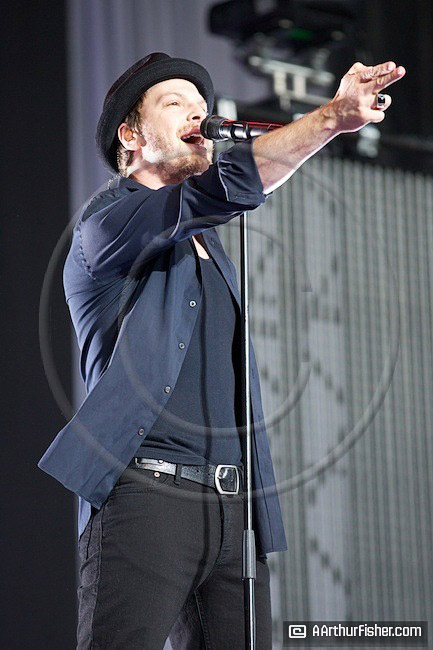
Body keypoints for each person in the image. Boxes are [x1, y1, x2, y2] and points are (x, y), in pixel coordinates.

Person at [38, 52, 405, 649]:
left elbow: (227, 190)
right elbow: (231, 184)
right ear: (131, 135)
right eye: (175, 103)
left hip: (233, 512)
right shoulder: (106, 225)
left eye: (202, 105)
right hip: (147, 495)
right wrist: (333, 118)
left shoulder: (209, 244)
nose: (198, 114)